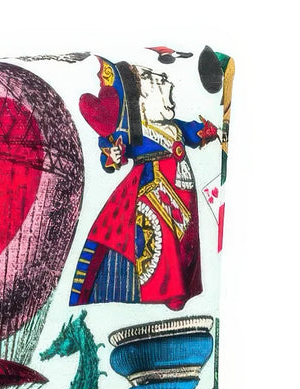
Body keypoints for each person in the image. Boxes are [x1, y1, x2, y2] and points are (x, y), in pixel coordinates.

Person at [71, 57, 218, 311]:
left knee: (186, 240)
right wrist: (113, 155)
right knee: (163, 241)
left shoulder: (175, 126)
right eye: (157, 80)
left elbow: (194, 133)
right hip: (152, 188)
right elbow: (110, 154)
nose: (168, 83)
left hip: (182, 189)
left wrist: (210, 131)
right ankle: (169, 292)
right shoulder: (133, 131)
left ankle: (185, 288)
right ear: (141, 96)